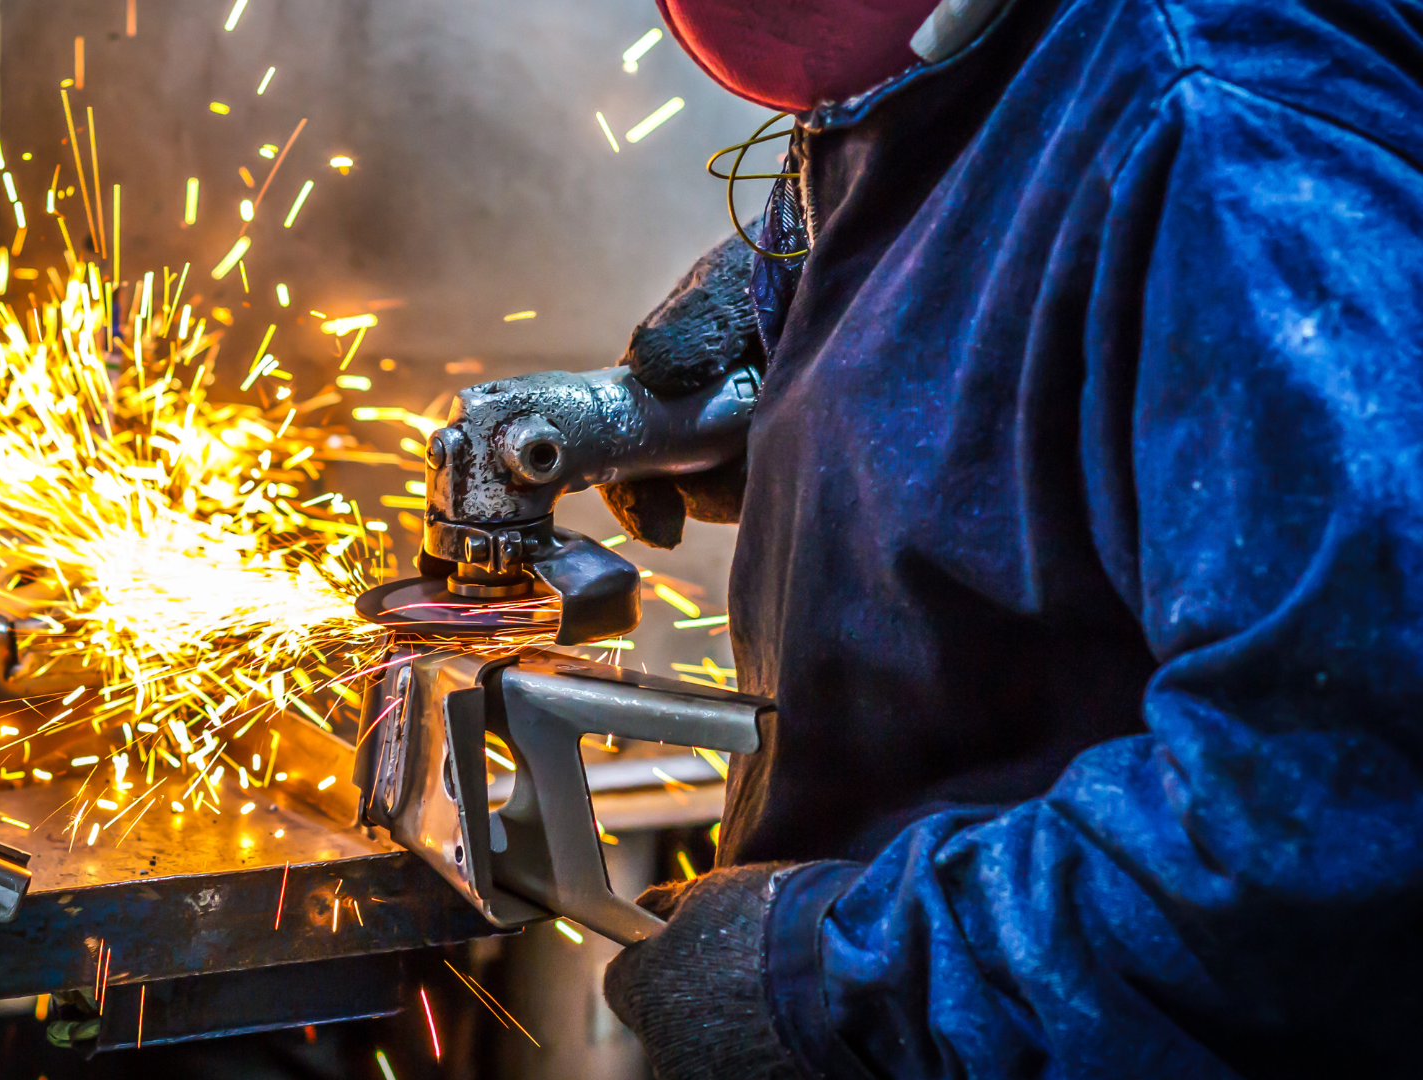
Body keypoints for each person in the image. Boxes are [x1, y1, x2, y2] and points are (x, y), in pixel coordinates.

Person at [594, 0, 1423, 1075]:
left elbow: (1345, 801)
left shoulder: (1224, 135)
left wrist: (850, 983)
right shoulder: (1034, 46)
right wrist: (827, 309)